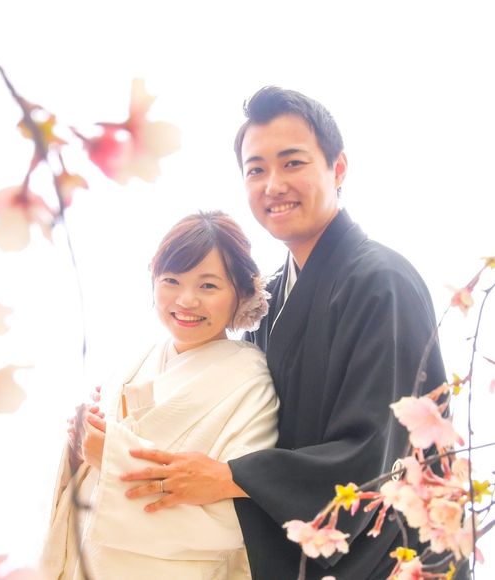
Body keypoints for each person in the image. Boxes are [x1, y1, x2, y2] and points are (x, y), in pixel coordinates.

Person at [120, 87, 448, 579]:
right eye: (256, 170)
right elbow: (233, 396)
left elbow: (372, 449)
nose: (273, 185)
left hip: (389, 557)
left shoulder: (382, 282)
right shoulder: (270, 297)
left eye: (292, 163)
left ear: (338, 168)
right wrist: (124, 410)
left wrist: (232, 477)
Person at [40, 210, 279, 580]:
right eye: (171, 280)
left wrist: (110, 455)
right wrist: (79, 441)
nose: (186, 300)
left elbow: (235, 517)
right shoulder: (138, 359)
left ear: (241, 294)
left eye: (208, 286)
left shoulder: (252, 381)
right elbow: (90, 467)